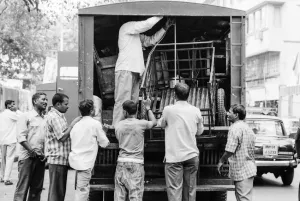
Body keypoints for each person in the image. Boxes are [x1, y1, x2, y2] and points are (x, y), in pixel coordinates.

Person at [112, 16, 174, 126]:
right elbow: (146, 24)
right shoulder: (126, 27)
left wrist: (165, 27)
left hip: (135, 71)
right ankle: (117, 127)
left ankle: (131, 126)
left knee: (132, 103)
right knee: (122, 101)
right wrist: (160, 15)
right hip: (125, 69)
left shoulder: (136, 35)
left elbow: (151, 40)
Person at [158, 83, 204, 201]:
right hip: (192, 156)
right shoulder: (196, 110)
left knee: (174, 191)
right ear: (189, 95)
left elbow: (161, 124)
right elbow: (199, 132)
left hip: (174, 157)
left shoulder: (168, 110)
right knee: (189, 191)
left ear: (174, 95)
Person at [114, 99, 157, 201]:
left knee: (119, 196)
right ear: (136, 111)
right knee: (135, 196)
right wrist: (148, 108)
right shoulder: (142, 124)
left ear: (125, 112)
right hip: (136, 163)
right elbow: (154, 122)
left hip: (121, 162)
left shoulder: (118, 125)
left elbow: (118, 135)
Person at [69, 99, 110, 201]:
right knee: (82, 191)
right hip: (85, 163)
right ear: (92, 111)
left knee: (81, 187)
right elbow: (104, 143)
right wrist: (104, 132)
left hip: (76, 160)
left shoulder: (76, 124)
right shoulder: (94, 124)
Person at [45, 93, 81, 201]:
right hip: (57, 159)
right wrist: (72, 124)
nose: (68, 106)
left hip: (61, 160)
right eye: (66, 104)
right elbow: (62, 137)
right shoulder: (54, 117)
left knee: (58, 192)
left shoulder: (60, 116)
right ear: (58, 104)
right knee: (56, 193)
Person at [217, 104, 256, 201]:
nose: (227, 114)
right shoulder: (247, 127)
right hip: (248, 169)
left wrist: (221, 161)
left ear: (236, 115)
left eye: (230, 112)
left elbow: (230, 150)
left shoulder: (235, 128)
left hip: (242, 171)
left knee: (243, 198)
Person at [13, 92, 48, 201]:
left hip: (40, 158)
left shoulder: (45, 119)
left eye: (46, 100)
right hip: (27, 158)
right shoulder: (26, 116)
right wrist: (31, 150)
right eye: (43, 99)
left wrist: (45, 154)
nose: (46, 102)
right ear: (35, 101)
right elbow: (21, 137)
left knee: (36, 189)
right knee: (22, 189)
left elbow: (45, 139)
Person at [0, 100, 19, 185]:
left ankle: (2, 176)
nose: (14, 106)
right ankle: (7, 178)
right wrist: (16, 110)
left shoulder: (2, 114)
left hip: (2, 140)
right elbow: (22, 117)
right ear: (8, 106)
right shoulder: (12, 114)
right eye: (13, 104)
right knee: (10, 159)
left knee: (3, 159)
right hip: (11, 139)